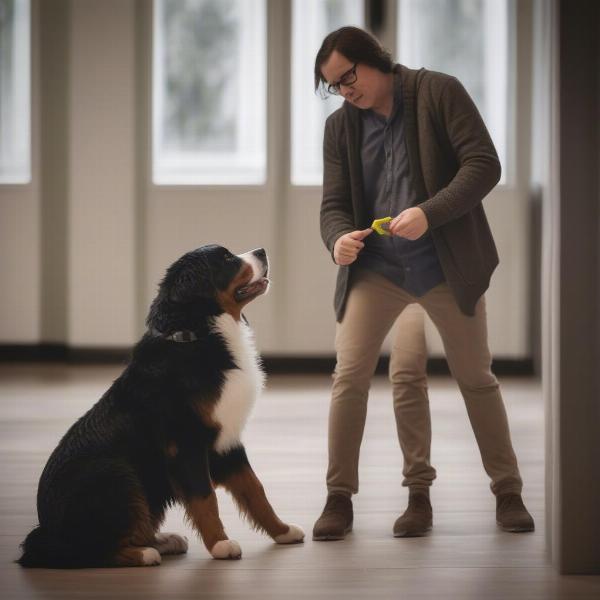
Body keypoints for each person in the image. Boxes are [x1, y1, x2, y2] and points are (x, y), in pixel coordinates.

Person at [312, 26, 534, 541]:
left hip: (444, 264)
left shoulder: (439, 91)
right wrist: (338, 239)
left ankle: (508, 490)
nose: (346, 91)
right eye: (334, 85)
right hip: (378, 269)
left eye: (349, 76)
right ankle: (339, 498)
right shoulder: (340, 129)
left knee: (475, 377)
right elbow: (334, 205)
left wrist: (428, 214)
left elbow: (484, 165)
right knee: (350, 376)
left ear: (376, 60)